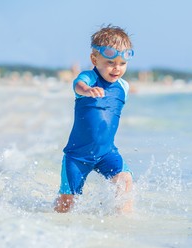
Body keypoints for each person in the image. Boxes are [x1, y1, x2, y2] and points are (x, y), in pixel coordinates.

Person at [54, 25, 134, 213]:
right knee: (67, 202)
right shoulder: (89, 78)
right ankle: (54, 225)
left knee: (125, 181)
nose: (117, 68)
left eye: (122, 63)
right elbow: (77, 85)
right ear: (94, 59)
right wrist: (88, 91)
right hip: (77, 156)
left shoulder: (124, 87)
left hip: (107, 153)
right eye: (110, 62)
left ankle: (123, 223)